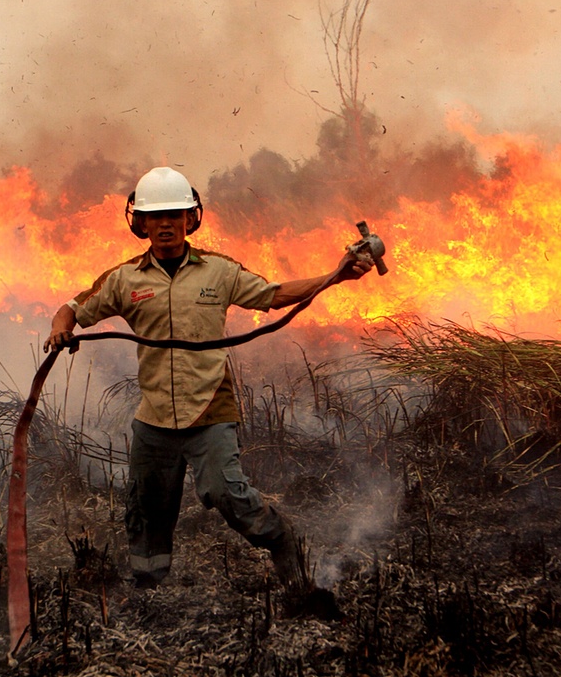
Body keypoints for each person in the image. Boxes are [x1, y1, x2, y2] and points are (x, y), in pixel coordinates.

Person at [44, 166, 372, 590]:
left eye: (174, 215)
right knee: (146, 507)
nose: (166, 224)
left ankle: (281, 540)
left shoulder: (219, 271)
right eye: (155, 216)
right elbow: (71, 308)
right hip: (155, 416)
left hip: (209, 408)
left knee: (226, 493)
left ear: (190, 219)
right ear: (139, 223)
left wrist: (335, 275)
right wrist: (60, 328)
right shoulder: (124, 279)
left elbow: (273, 295)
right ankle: (149, 585)